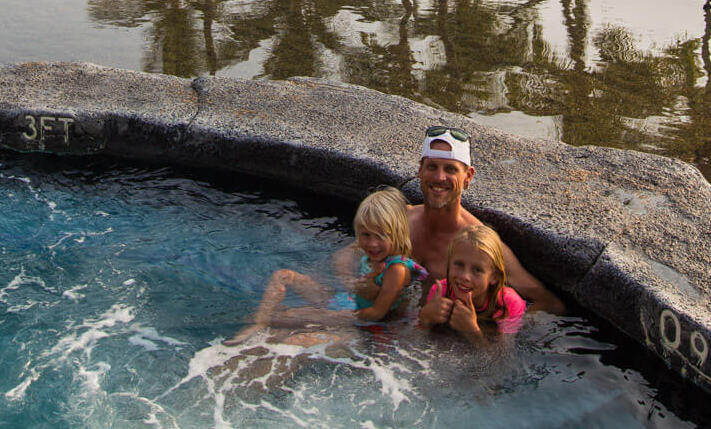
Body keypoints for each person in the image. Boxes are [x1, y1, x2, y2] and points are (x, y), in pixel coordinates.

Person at [394, 127, 564, 321]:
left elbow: (550, 304)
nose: (439, 177)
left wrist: (483, 330)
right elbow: (353, 261)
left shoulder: (479, 244)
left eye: (450, 169)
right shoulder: (399, 222)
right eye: (432, 166)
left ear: (468, 177)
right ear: (420, 170)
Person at [232, 188, 425, 341]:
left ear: (398, 234)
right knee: (283, 275)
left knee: (296, 316)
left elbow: (376, 313)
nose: (372, 244)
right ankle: (259, 321)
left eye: (381, 236)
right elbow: (343, 261)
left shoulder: (397, 270)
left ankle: (268, 324)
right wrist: (351, 285)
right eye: (366, 235)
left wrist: (326, 316)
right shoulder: (374, 253)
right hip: (345, 301)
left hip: (357, 323)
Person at [424, 224, 526, 343]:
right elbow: (416, 341)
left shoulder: (509, 304)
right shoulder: (440, 292)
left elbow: (503, 358)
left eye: (477, 270)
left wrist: (472, 332)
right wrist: (424, 318)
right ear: (448, 263)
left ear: (494, 277)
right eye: (459, 264)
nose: (465, 276)